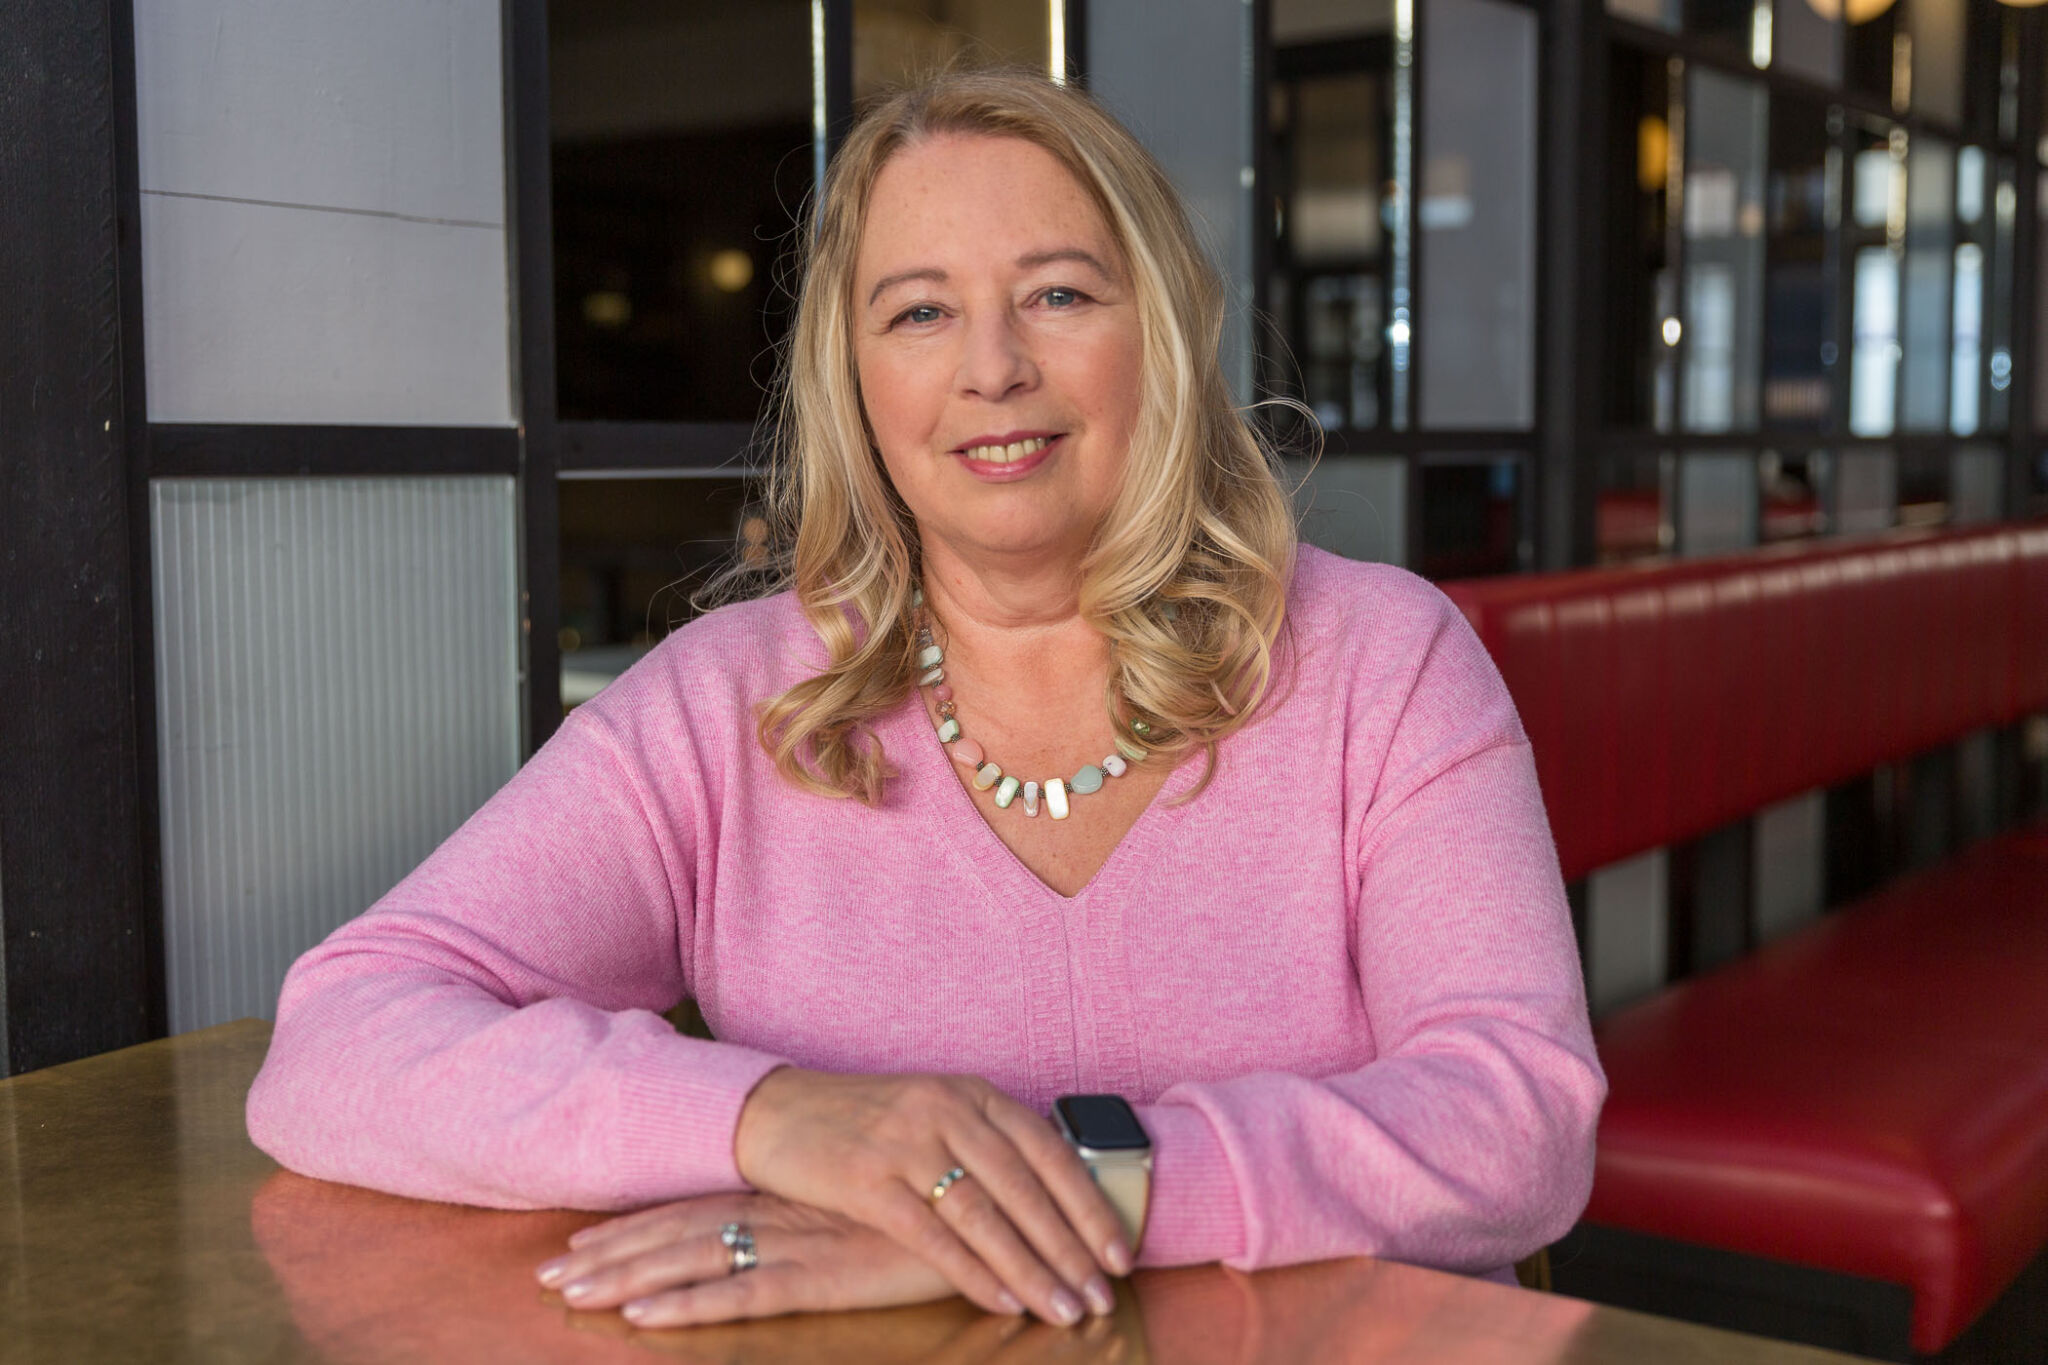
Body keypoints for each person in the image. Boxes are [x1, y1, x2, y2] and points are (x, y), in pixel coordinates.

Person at [245, 70, 1604, 1333]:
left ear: (1167, 333)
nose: (992, 367)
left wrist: (1048, 1204)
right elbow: (339, 1038)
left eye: (1061, 295)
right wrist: (783, 1121)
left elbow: (1519, 1118)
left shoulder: (1384, 659)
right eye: (919, 310)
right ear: (856, 379)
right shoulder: (730, 704)